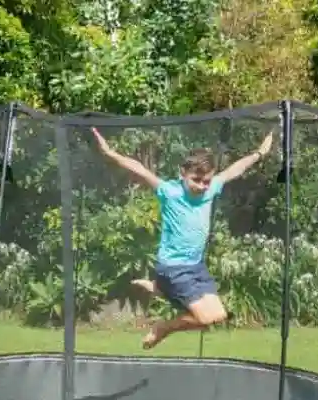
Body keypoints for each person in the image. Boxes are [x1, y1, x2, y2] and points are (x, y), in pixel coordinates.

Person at [91, 127, 273, 349]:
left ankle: (159, 289)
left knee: (218, 316)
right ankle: (163, 327)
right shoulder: (170, 192)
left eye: (206, 181)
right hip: (174, 267)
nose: (202, 186)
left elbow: (235, 170)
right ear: (182, 174)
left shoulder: (211, 188)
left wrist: (259, 153)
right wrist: (110, 153)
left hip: (196, 266)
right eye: (196, 180)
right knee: (205, 319)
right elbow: (140, 170)